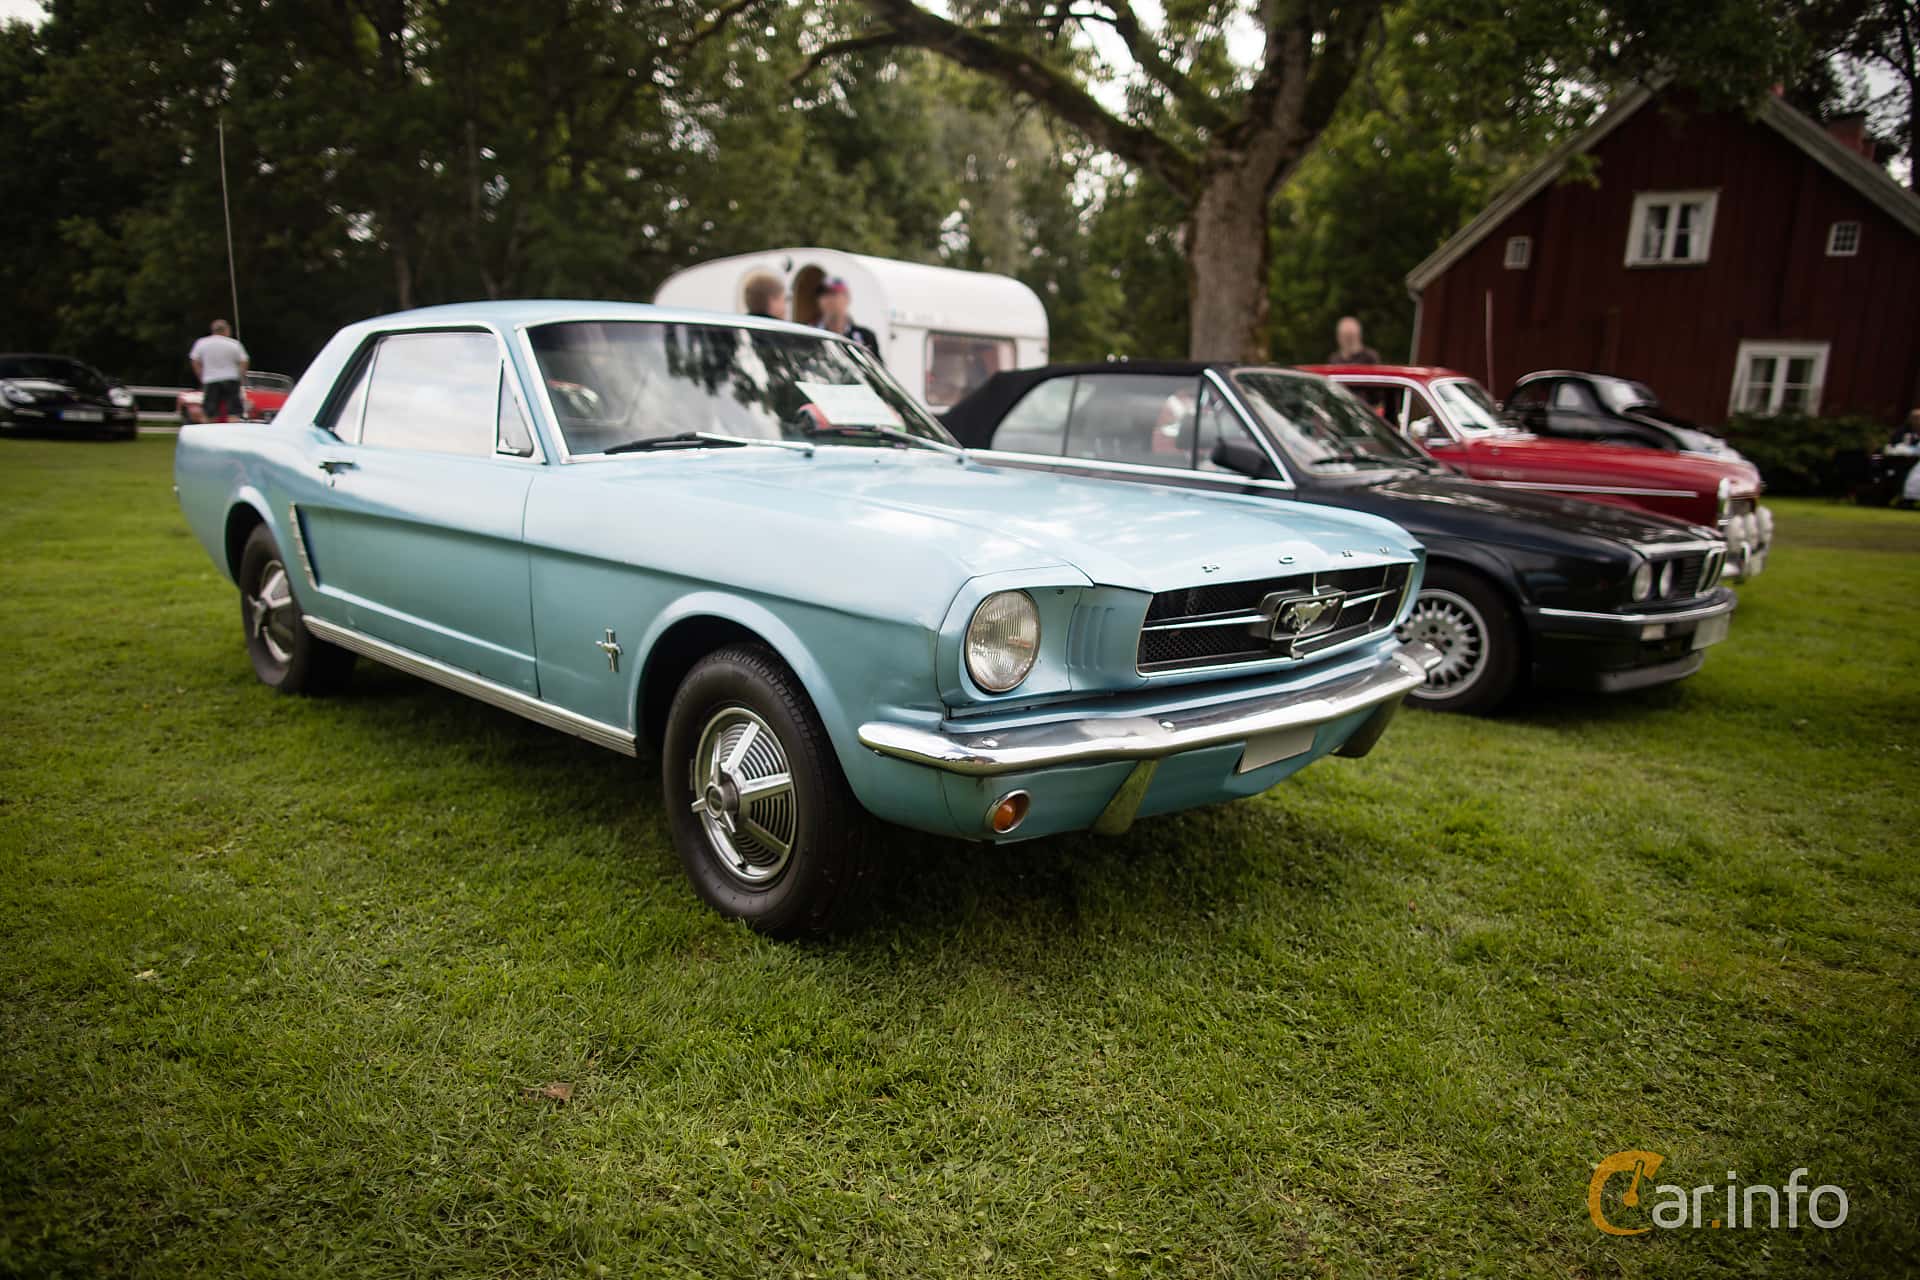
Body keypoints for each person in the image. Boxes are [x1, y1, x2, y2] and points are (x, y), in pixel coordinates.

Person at [189, 319, 249, 423]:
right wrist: (240, 376)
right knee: (233, 412)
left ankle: (208, 435)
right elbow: (244, 360)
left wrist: (200, 375)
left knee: (209, 412)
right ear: (226, 330)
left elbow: (194, 360)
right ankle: (232, 433)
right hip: (231, 379)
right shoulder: (234, 344)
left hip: (210, 379)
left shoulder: (202, 343)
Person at [812, 276, 882, 363]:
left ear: (847, 298)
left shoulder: (865, 337)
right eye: (824, 294)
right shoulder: (810, 334)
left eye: (834, 294)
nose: (828, 299)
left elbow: (876, 369)